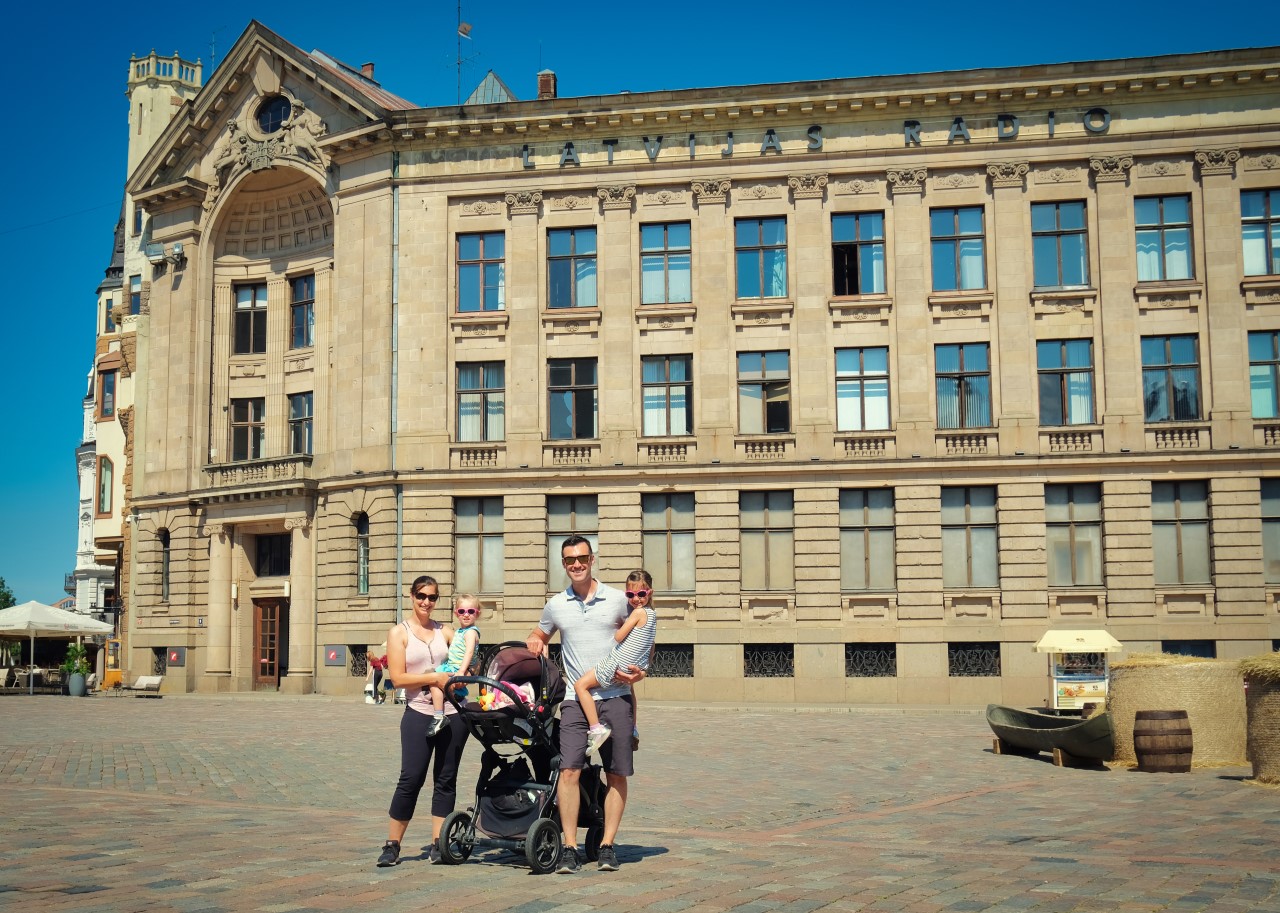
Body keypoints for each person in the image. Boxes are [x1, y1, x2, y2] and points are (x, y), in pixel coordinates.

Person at [527, 536, 646, 875]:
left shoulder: (619, 600)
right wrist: (535, 639)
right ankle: (568, 847)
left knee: (616, 773)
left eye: (581, 558)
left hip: (616, 698)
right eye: (569, 560)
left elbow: (644, 636)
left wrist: (641, 671)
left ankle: (607, 845)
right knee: (568, 770)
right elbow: (539, 633)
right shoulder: (556, 604)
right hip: (574, 702)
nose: (576, 564)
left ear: (592, 559)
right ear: (563, 564)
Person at [377, 576, 470, 868]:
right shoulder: (399, 633)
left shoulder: (446, 630)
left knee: (445, 779)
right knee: (411, 778)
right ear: (412, 596)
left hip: (454, 714)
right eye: (421, 596)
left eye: (432, 597)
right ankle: (393, 845)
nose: (426, 602)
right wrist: (433, 677)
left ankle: (437, 843)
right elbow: (397, 679)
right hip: (419, 713)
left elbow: (466, 658)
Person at [573, 571, 656, 755]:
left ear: (649, 592)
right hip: (631, 666)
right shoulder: (652, 615)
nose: (636, 599)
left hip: (615, 664)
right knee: (630, 690)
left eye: (641, 594)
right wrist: (644, 667)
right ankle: (633, 726)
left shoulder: (638, 613)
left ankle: (596, 729)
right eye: (630, 595)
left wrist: (620, 626)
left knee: (580, 686)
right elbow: (651, 647)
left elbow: (618, 637)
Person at [426, 594, 481, 735]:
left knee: (434, 682)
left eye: (471, 611)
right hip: (452, 666)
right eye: (462, 611)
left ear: (477, 614)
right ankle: (443, 701)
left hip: (457, 668)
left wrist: (462, 671)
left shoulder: (471, 632)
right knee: (435, 680)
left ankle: (439, 716)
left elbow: (469, 653)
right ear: (456, 613)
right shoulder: (459, 631)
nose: (466, 615)